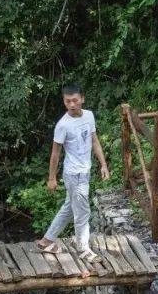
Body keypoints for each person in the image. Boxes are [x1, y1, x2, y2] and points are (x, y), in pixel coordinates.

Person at [35, 84, 110, 262]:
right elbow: (55, 154)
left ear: (82, 99)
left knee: (69, 207)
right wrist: (52, 178)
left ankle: (46, 241)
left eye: (75, 100)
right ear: (64, 101)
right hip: (73, 174)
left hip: (85, 171)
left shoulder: (89, 115)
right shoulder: (63, 125)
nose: (72, 104)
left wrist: (103, 164)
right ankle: (83, 249)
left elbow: (94, 140)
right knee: (83, 212)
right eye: (68, 101)